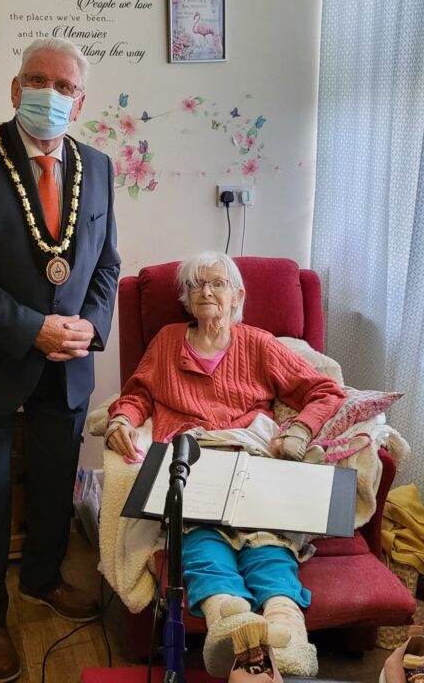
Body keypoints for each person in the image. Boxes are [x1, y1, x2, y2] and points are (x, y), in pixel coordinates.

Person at [0, 38, 120, 683]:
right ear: (15, 89)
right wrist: (32, 328)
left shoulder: (98, 165)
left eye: (65, 87)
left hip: (67, 365)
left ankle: (42, 580)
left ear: (80, 102)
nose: (50, 95)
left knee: (55, 484)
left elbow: (106, 265)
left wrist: (90, 327)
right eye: (38, 80)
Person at [105, 251, 345, 679]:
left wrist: (299, 430)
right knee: (200, 540)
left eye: (217, 283)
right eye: (196, 284)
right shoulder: (166, 341)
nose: (206, 291)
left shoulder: (258, 343)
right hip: (192, 458)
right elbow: (138, 394)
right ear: (185, 298)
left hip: (251, 459)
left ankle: (285, 629)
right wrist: (122, 419)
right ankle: (227, 619)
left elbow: (325, 391)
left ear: (238, 296)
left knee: (268, 543)